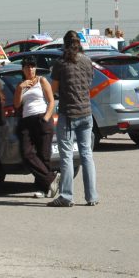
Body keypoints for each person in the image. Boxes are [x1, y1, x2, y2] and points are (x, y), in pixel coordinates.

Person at [49, 30, 99, 207]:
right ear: (79, 43)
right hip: (86, 113)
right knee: (87, 154)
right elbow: (89, 82)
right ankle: (92, 196)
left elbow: (54, 88)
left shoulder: (60, 63)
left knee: (67, 156)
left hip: (68, 114)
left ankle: (66, 196)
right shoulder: (87, 61)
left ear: (65, 44)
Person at [14, 60, 59, 198]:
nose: (30, 69)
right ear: (23, 69)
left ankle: (43, 188)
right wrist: (20, 88)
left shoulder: (42, 80)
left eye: (33, 66)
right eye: (27, 67)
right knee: (27, 154)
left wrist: (46, 117)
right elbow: (16, 105)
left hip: (42, 118)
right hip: (27, 121)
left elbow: (51, 101)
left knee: (43, 155)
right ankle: (51, 179)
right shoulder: (21, 85)